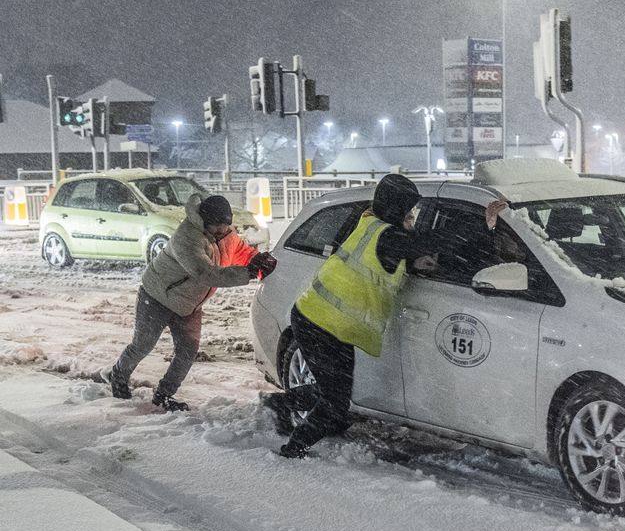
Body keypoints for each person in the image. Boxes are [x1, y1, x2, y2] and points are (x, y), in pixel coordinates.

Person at [273, 174, 438, 458]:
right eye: (409, 210)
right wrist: (488, 223)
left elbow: (396, 257)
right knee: (335, 404)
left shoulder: (371, 223)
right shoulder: (389, 235)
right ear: (397, 208)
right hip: (321, 324)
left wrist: (412, 261)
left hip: (322, 321)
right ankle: (293, 449)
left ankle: (282, 403)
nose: (412, 216)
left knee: (335, 392)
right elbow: (434, 242)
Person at [108, 194, 275, 412]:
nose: (221, 231)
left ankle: (164, 395)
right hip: (157, 297)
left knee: (187, 351)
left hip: (189, 305)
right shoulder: (187, 237)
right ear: (204, 220)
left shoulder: (225, 234)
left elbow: (240, 251)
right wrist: (249, 273)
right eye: (216, 226)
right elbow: (206, 273)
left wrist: (256, 260)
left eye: (225, 226)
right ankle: (118, 376)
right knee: (143, 345)